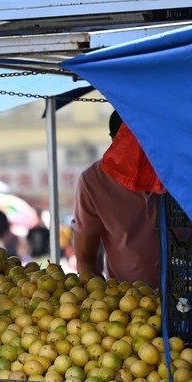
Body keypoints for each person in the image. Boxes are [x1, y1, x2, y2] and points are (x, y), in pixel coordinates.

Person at [72, 110, 161, 286]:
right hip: (128, 304)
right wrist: (107, 300)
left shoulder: (180, 173)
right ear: (114, 140)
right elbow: (85, 258)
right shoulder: (93, 182)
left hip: (189, 299)